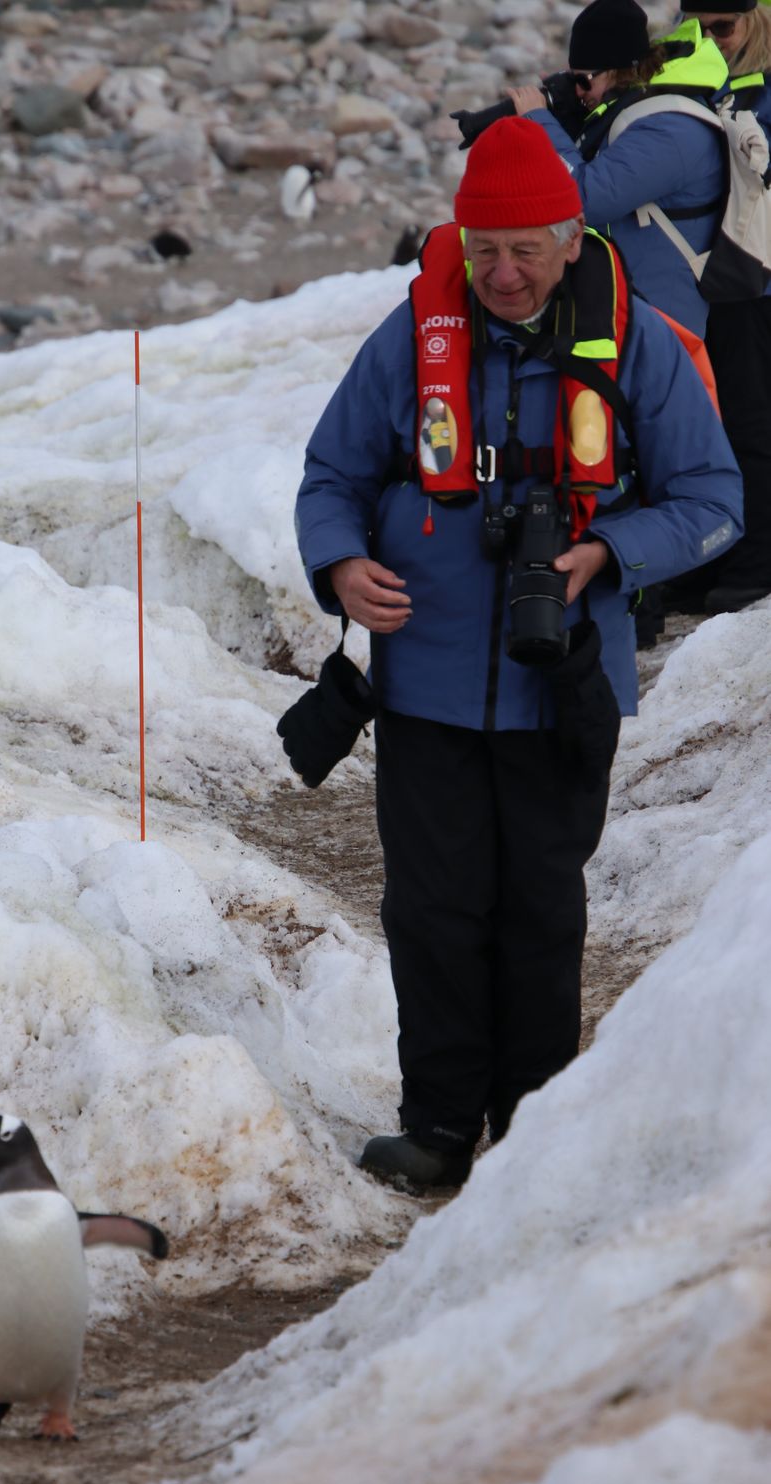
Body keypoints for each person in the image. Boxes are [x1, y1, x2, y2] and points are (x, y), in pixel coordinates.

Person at [293, 116, 742, 1188]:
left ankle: (537, 1138)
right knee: (435, 911)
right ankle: (442, 1127)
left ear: (572, 240)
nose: (502, 272)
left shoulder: (635, 342)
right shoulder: (411, 340)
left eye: (526, 249)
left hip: (563, 689)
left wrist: (607, 550)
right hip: (424, 685)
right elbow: (330, 478)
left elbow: (715, 501)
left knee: (541, 909)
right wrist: (341, 566)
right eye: (483, 249)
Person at [508, 0, 729, 645]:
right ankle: (648, 588)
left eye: (585, 80)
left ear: (617, 72)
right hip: (636, 313)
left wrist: (541, 125)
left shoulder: (669, 128)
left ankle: (652, 598)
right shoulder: (632, 114)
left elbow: (582, 197)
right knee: (626, 449)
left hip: (668, 321)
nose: (581, 91)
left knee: (663, 458)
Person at [672, 1, 771, 612]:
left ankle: (758, 559)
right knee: (712, 424)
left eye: (723, 27)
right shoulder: (693, 74)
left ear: (756, 20)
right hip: (713, 282)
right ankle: (720, 550)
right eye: (698, 28)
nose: (711, 40)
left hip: (754, 284)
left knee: (751, 423)